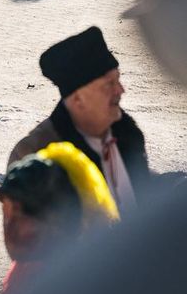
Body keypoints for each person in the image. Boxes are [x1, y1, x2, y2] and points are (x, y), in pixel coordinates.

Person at [8, 26, 150, 213]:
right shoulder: (35, 153)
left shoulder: (128, 135)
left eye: (118, 80)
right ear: (77, 99)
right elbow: (25, 237)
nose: (121, 90)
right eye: (109, 84)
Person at [0, 142, 119, 294]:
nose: (9, 229)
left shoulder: (86, 291)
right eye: (6, 215)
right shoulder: (23, 273)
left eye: (23, 215)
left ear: (60, 221)